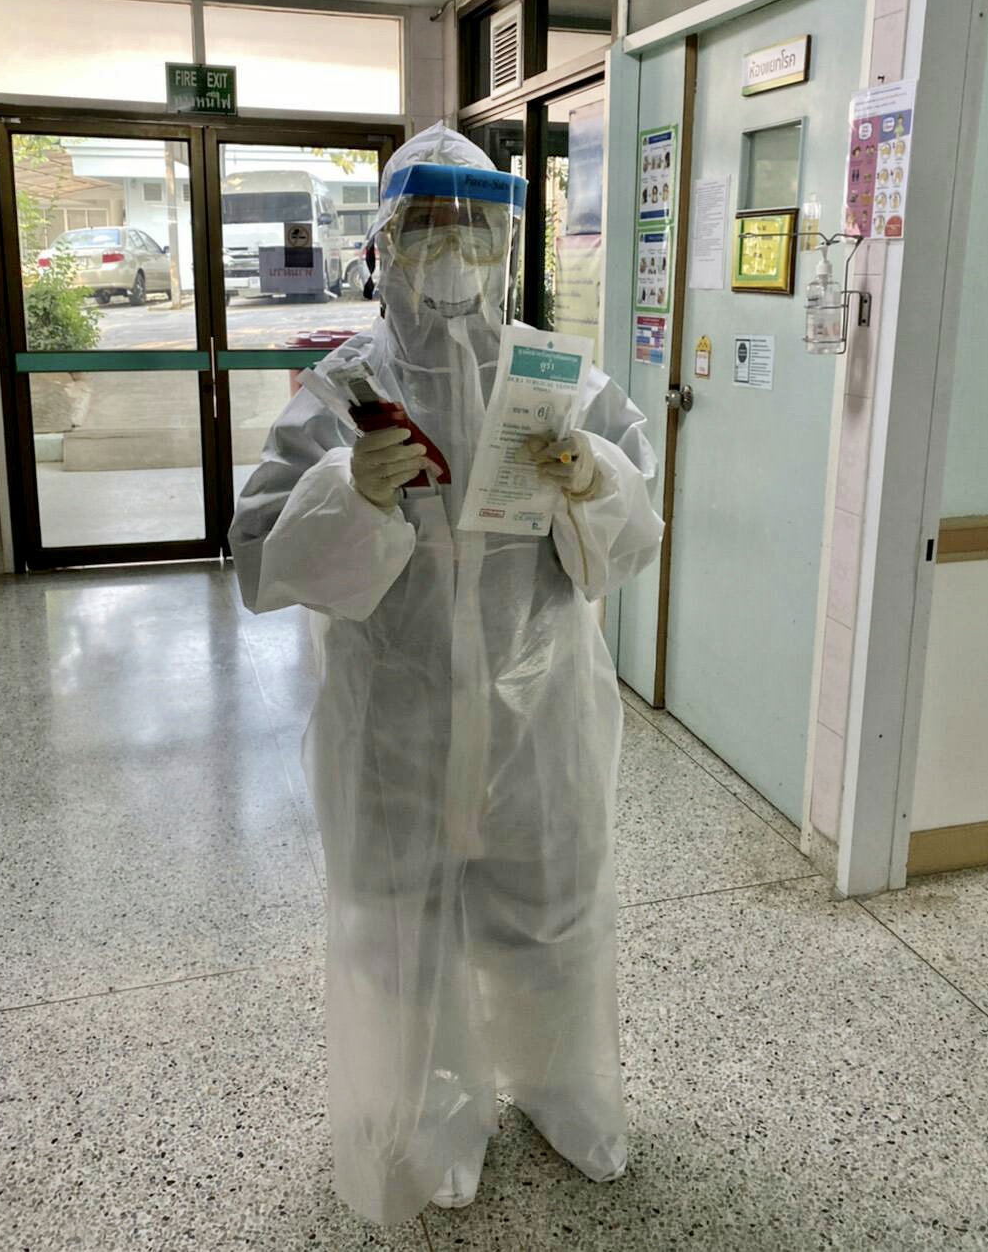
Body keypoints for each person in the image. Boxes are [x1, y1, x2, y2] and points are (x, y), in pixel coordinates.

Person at [230, 124, 664, 1225]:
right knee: (403, 937)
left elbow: (630, 537)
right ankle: (433, 1117)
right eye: (428, 228)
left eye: (474, 231)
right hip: (397, 719)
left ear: (506, 243)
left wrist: (594, 479)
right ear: (386, 242)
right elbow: (261, 561)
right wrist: (351, 490)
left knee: (554, 910)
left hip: (539, 712)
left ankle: (566, 1090)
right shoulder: (344, 388)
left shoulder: (562, 379)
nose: (453, 251)